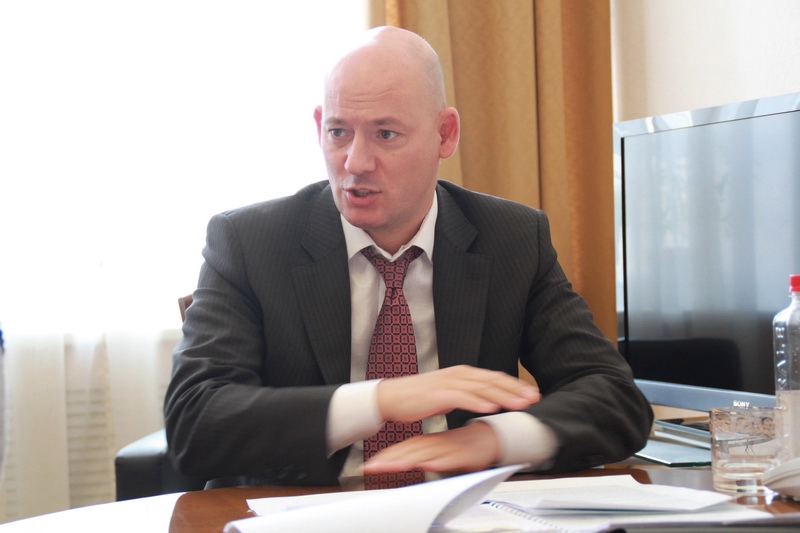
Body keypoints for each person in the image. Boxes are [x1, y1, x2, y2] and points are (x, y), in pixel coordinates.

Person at [164, 26, 653, 489]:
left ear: (445, 134)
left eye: (386, 134)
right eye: (338, 132)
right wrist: (381, 399)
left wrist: (493, 439)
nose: (355, 162)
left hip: (463, 512)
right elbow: (194, 421)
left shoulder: (511, 238)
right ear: (318, 126)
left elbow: (615, 399)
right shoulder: (250, 242)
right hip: (302, 510)